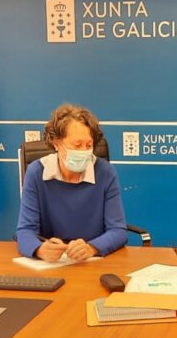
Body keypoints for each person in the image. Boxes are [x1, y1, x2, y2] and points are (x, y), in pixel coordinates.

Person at [16, 104, 127, 262]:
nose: (84, 151)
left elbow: (118, 231)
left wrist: (91, 247)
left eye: (89, 145)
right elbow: (25, 231)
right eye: (77, 145)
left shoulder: (105, 172)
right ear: (56, 143)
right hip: (52, 264)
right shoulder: (36, 173)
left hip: (92, 262)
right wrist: (39, 250)